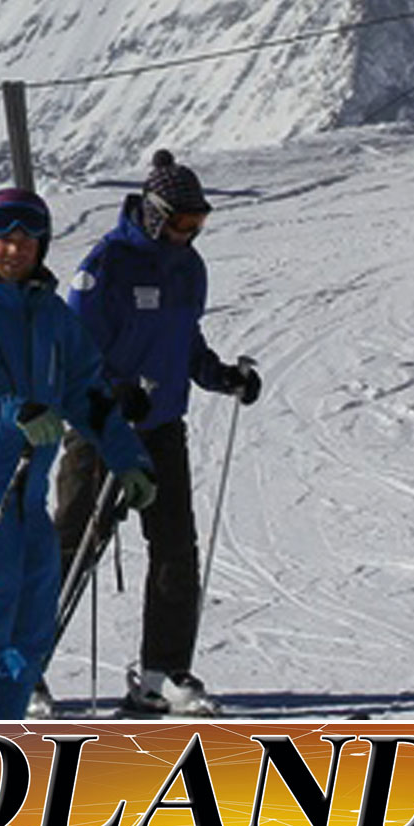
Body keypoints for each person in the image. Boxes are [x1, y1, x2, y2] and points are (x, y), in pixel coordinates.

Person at [0, 185, 154, 722]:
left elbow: (86, 391)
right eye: (5, 239)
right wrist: (12, 410)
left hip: (26, 497)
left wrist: (127, 457)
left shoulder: (51, 317)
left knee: (30, 638)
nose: (16, 251)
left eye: (28, 241)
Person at [53, 149, 261, 716]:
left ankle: (162, 671)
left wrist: (220, 375)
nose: (187, 235)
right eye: (180, 223)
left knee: (175, 548)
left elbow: (183, 338)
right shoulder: (108, 265)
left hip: (163, 426)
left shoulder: (188, 267)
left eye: (198, 225)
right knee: (72, 547)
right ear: (152, 214)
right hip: (102, 430)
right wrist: (113, 393)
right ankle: (21, 668)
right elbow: (75, 352)